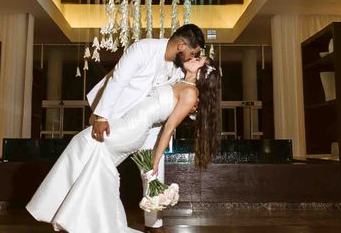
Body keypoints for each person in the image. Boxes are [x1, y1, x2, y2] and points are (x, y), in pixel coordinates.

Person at [26, 24, 221, 232]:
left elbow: (180, 106)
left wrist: (194, 106)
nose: (193, 57)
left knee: (149, 173)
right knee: (90, 153)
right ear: (182, 45)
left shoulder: (179, 69)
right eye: (194, 53)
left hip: (147, 128)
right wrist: (102, 116)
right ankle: (73, 213)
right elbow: (118, 80)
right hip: (123, 118)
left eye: (197, 57)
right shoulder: (144, 49)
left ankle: (150, 224)